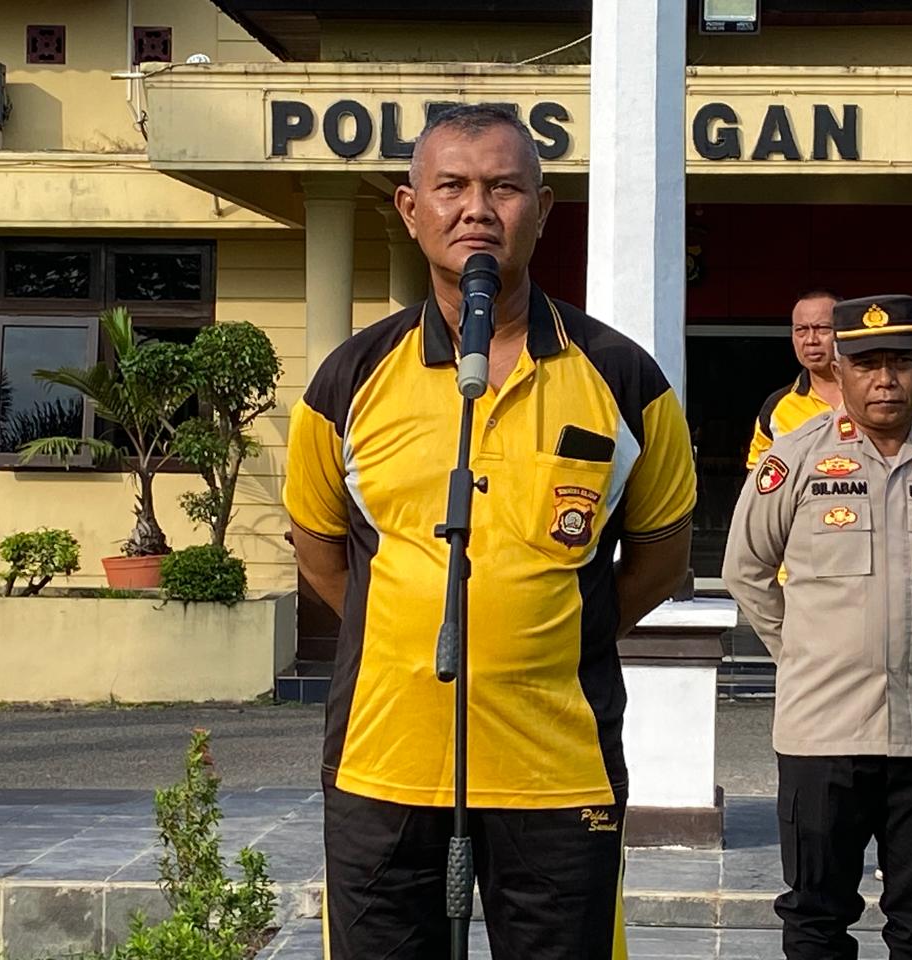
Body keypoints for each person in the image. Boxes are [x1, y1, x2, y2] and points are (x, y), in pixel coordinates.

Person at [283, 103, 696, 960]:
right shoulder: (350, 379)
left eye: (504, 187)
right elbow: (318, 549)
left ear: (542, 210)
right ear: (410, 209)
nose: (477, 208)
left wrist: (555, 632)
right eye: (453, 187)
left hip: (558, 767)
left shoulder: (621, 377)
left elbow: (660, 560)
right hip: (385, 760)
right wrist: (400, 630)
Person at [722, 294, 912, 960]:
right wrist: (802, 650)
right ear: (840, 369)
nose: (885, 379)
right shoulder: (794, 459)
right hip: (822, 730)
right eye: (868, 363)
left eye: (900, 362)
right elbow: (746, 568)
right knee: (816, 919)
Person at [745, 289, 845, 471]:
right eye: (801, 330)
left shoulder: (874, 396)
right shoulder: (777, 407)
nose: (811, 340)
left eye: (822, 328)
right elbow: (757, 476)